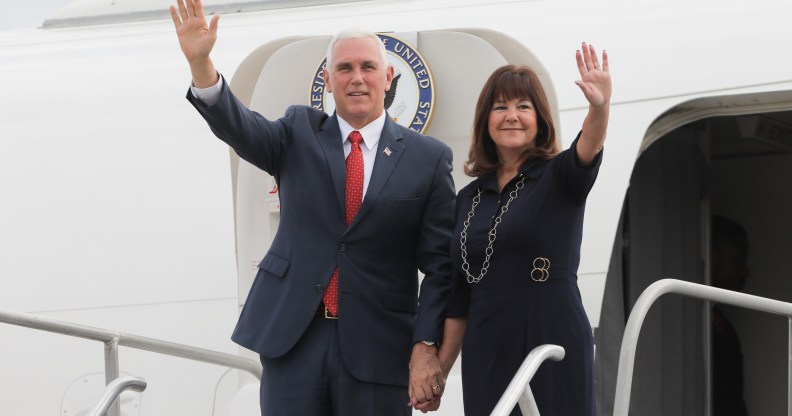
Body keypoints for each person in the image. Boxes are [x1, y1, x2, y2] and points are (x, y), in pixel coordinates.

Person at [169, 1, 455, 414]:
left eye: (368, 67)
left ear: (388, 76)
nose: (357, 78)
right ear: (328, 78)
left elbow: (441, 268)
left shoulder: (428, 158)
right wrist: (202, 65)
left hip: (379, 345)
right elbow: (240, 127)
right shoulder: (298, 131)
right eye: (344, 68)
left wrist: (426, 346)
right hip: (295, 337)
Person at [424, 45, 611, 415]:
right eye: (501, 107)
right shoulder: (468, 197)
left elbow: (588, 145)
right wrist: (438, 375)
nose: (512, 116)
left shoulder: (561, 176)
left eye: (523, 107)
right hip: (487, 344)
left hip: (550, 335)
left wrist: (600, 107)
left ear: (539, 119)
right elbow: (458, 299)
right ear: (486, 121)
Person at [711, 215, 750, 416]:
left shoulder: (723, 327)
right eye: (738, 260)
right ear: (713, 257)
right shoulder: (687, 326)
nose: (746, 271)